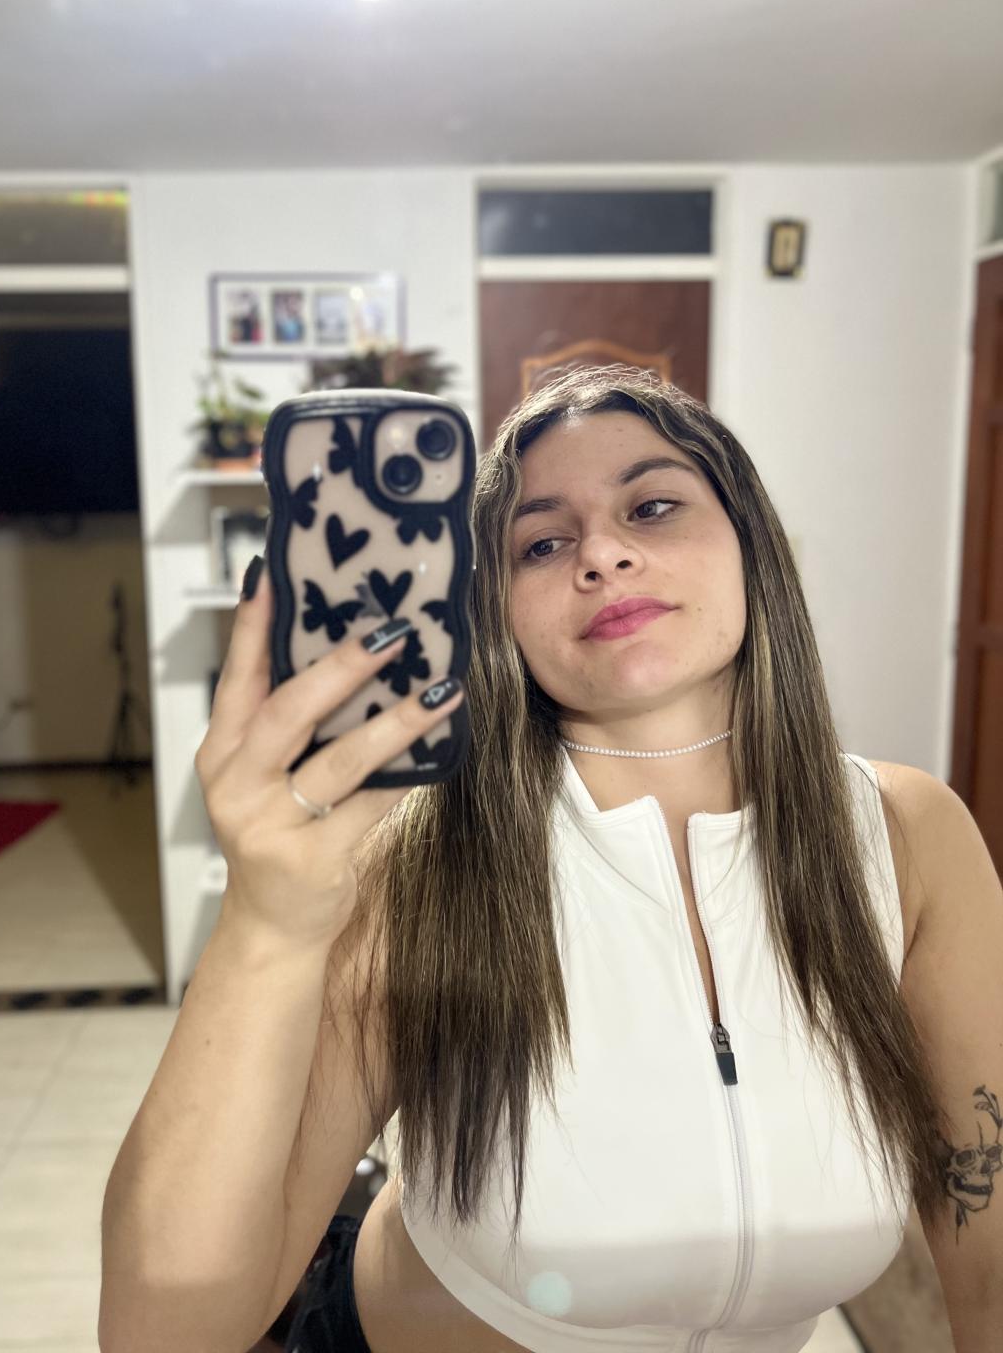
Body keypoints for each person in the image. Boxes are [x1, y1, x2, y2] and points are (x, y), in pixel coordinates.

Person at [100, 365, 955, 1353]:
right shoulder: (415, 865)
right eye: (542, 543)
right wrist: (267, 921)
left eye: (653, 506)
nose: (602, 554)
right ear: (493, 608)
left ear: (749, 541)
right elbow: (164, 1334)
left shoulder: (908, 833)